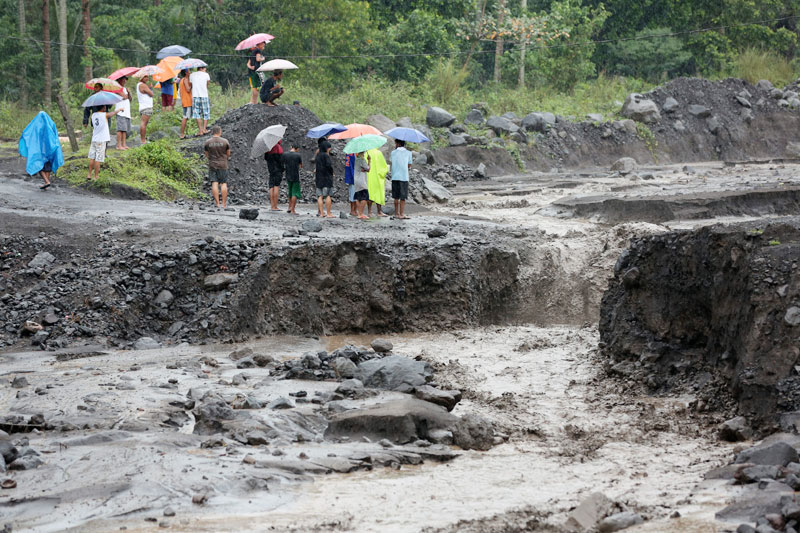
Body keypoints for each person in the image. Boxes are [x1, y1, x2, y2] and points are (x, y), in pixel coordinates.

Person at [88, 105, 121, 181]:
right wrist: (119, 109)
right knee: (98, 158)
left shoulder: (93, 115)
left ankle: (89, 174)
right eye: (104, 106)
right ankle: (96, 176)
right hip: (101, 140)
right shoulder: (104, 115)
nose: (105, 108)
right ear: (103, 108)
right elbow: (112, 113)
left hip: (94, 139)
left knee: (92, 157)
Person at [204, 125, 231, 209]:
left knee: (214, 183)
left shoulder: (208, 142)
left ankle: (217, 204)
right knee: (223, 183)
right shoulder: (225, 141)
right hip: (223, 164)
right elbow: (228, 154)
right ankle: (223, 204)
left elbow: (207, 155)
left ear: (212, 132)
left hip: (212, 164)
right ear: (220, 132)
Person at [389, 139, 413, 219]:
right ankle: (402, 214)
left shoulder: (393, 153)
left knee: (396, 196)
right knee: (403, 197)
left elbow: (392, 161)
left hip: (395, 176)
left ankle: (396, 213)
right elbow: (409, 165)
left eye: (395, 143)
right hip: (404, 177)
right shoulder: (408, 153)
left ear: (398, 143)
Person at [366, 147, 388, 217]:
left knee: (370, 193)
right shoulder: (378, 153)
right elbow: (384, 167)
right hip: (378, 177)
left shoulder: (366, 153)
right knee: (379, 194)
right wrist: (383, 173)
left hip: (368, 176)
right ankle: (379, 211)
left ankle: (369, 212)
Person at [314, 144, 334, 218]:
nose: (330, 149)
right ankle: (328, 213)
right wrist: (332, 172)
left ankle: (321, 213)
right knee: (328, 195)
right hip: (326, 177)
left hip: (319, 177)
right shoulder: (326, 156)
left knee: (320, 196)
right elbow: (329, 166)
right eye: (329, 148)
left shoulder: (318, 155)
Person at [190, 66, 211, 135]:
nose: (205, 70)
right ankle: (204, 129)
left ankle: (200, 130)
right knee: (206, 113)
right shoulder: (206, 75)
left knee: (197, 113)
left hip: (195, 96)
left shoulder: (192, 75)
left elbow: (191, 85)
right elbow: (207, 84)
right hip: (204, 95)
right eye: (205, 68)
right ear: (201, 68)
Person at [283, 144, 303, 215]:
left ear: (291, 147)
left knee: (290, 192)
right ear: (296, 149)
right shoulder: (298, 155)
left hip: (288, 175)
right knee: (295, 193)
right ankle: (292, 210)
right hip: (295, 176)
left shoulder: (285, 154)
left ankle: (289, 207)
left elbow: (283, 163)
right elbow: (301, 166)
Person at [265, 140, 284, 211]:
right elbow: (281, 161)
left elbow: (266, 158)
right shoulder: (278, 147)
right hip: (278, 171)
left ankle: (272, 206)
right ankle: (275, 206)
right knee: (276, 186)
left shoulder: (268, 148)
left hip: (271, 171)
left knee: (271, 186)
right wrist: (282, 169)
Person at [114, 77, 132, 150]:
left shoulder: (125, 89)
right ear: (119, 80)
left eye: (125, 79)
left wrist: (129, 92)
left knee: (124, 129)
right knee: (120, 129)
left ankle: (124, 144)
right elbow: (124, 97)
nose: (125, 81)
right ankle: (118, 145)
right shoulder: (117, 88)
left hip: (126, 112)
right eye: (123, 79)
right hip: (120, 111)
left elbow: (130, 99)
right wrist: (127, 93)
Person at [137, 75, 154, 144]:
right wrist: (150, 89)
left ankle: (143, 140)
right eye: (145, 77)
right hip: (146, 107)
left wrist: (149, 88)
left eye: (147, 77)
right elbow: (151, 94)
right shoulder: (143, 85)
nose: (147, 78)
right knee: (143, 123)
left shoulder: (140, 85)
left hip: (143, 106)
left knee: (144, 123)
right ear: (141, 77)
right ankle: (143, 140)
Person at [353, 152, 370, 220]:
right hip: (362, 180)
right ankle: (361, 213)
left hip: (356, 179)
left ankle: (359, 213)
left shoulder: (356, 160)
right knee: (365, 197)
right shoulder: (362, 160)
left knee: (358, 197)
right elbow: (368, 169)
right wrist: (369, 161)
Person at [178, 70, 192, 139]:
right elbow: (188, 89)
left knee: (185, 117)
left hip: (184, 101)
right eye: (189, 71)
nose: (190, 72)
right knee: (185, 117)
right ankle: (182, 134)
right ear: (186, 73)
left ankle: (182, 134)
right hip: (187, 101)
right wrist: (191, 84)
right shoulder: (185, 80)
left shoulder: (181, 80)